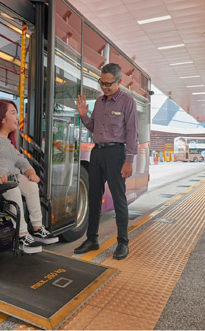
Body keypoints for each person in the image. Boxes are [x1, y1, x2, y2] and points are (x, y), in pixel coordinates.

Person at [0, 99, 57, 254]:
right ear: (1, 118)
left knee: (32, 185)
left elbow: (20, 160)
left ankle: (37, 228)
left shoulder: (8, 143)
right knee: (14, 189)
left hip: (12, 178)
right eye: (13, 113)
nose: (18, 117)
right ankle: (22, 235)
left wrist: (30, 171)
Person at [74, 63, 138, 260]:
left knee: (119, 199)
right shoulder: (100, 102)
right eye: (102, 83)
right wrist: (84, 116)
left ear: (119, 81)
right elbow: (94, 127)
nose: (104, 87)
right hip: (97, 153)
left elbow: (132, 132)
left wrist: (129, 160)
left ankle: (123, 243)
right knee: (94, 197)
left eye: (109, 84)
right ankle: (92, 239)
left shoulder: (127, 101)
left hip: (116, 154)